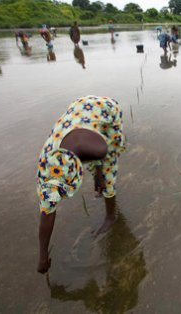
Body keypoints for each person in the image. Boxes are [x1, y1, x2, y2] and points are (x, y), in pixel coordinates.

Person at [36, 95, 125, 274]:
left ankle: (111, 216)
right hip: (78, 112)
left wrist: (99, 175)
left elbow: (102, 156)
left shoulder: (99, 147)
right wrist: (43, 256)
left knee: (108, 175)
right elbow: (47, 213)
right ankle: (100, 178)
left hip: (104, 109)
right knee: (100, 170)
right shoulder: (46, 167)